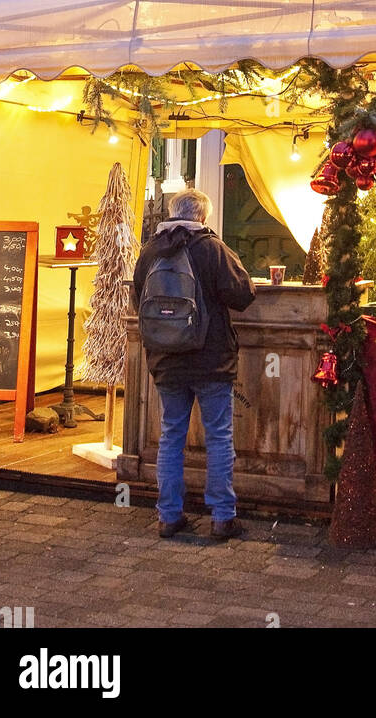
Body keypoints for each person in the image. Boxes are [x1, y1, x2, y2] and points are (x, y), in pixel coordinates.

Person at [131, 188, 256, 540]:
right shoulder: (211, 248)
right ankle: (221, 518)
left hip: (167, 360)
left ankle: (169, 517)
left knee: (171, 436)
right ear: (202, 217)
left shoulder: (151, 251)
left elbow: (139, 298)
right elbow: (243, 295)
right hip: (211, 360)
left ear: (173, 213)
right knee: (218, 437)